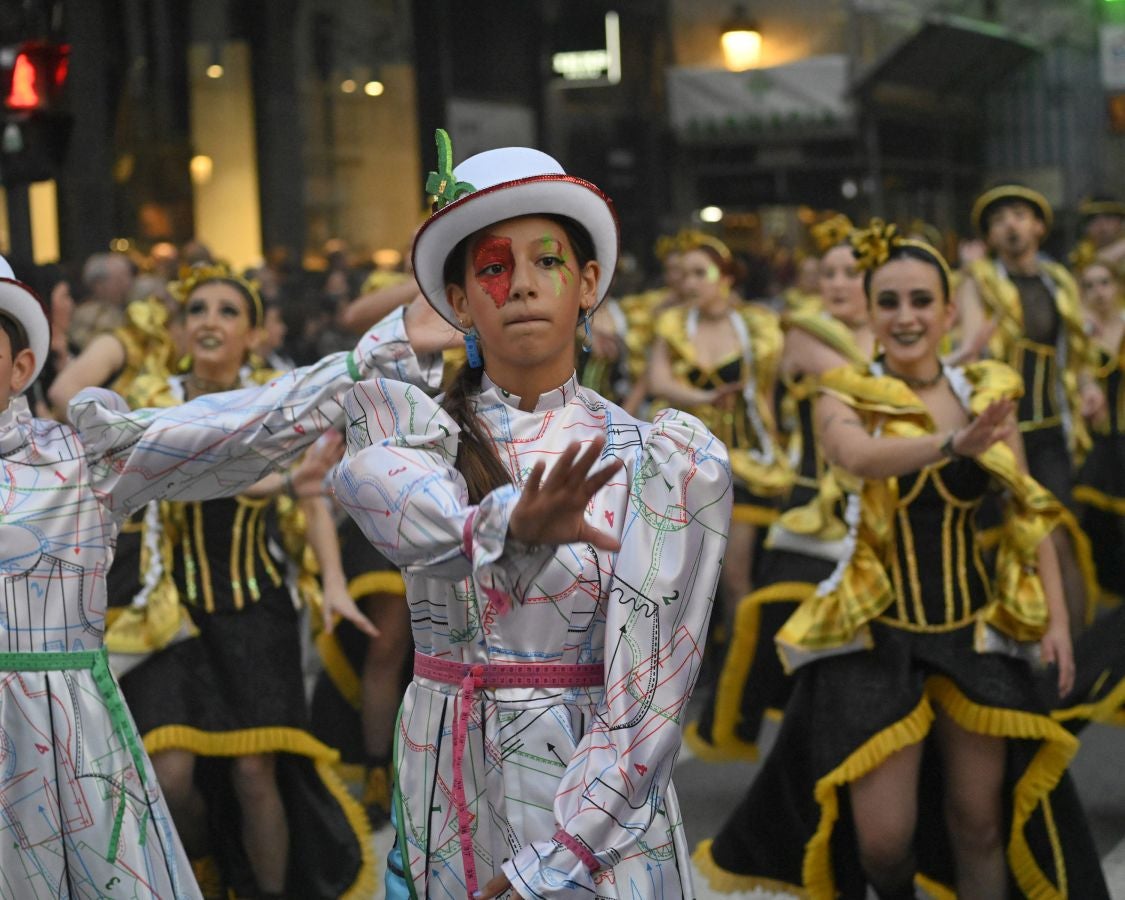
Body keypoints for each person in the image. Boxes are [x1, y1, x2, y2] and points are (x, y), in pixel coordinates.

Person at [333, 130, 732, 899]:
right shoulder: (408, 431)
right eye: (491, 266)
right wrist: (508, 527)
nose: (519, 284)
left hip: (597, 821)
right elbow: (404, 516)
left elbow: (649, 701)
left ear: (587, 283)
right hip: (443, 786)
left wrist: (556, 863)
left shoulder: (662, 459)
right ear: (455, 300)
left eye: (545, 261)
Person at [0, 251, 439, 898]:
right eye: (198, 310)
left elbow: (232, 430)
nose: (210, 323)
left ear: (21, 367)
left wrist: (362, 360)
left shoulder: (75, 460)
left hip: (61, 737)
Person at [694, 220, 1110, 899]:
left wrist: (1056, 620)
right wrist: (952, 444)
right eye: (888, 301)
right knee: (884, 843)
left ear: (949, 311)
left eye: (921, 300)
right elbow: (856, 457)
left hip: (973, 633)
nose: (905, 316)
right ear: (869, 309)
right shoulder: (846, 393)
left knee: (978, 823)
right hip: (873, 638)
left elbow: (1025, 515)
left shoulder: (986, 391)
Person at [688, 214, 874, 759]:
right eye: (831, 273)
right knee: (785, 629)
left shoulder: (896, 335)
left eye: (853, 273)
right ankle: (804, 750)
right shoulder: (803, 331)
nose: (838, 283)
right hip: (811, 506)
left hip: (879, 508)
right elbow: (861, 379)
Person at [953, 184, 1101, 633]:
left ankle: (1072, 653)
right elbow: (975, 352)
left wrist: (1090, 385)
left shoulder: (1059, 282)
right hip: (997, 432)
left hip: (1050, 431)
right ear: (990, 237)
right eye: (998, 221)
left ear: (1038, 226)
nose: (1010, 225)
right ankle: (1009, 651)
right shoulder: (977, 282)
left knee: (1059, 539)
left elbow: (1075, 353)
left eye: (1018, 215)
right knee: (998, 544)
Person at [646, 232, 789, 638]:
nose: (690, 283)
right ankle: (694, 671)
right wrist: (704, 395)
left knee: (734, 578)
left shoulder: (756, 326)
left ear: (725, 277)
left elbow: (772, 389)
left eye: (700, 273)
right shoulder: (673, 324)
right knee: (687, 577)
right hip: (686, 465)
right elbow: (658, 378)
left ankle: (738, 675)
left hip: (744, 463)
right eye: (685, 274)